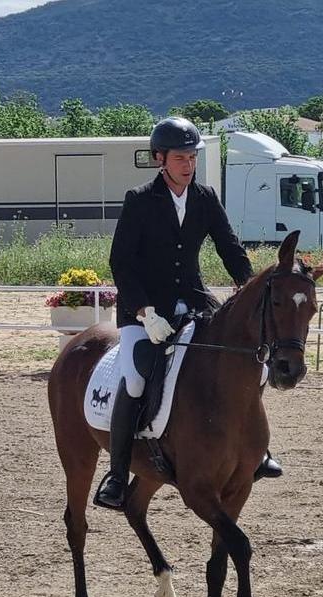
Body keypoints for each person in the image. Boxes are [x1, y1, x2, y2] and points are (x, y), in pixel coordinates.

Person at [94, 117, 282, 510]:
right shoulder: (140, 199)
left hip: (195, 301)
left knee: (252, 363)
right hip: (145, 309)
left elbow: (230, 249)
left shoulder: (205, 197)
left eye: (192, 157)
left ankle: (255, 453)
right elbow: (122, 263)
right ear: (160, 159)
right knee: (134, 376)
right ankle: (116, 472)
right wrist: (145, 311)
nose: (188, 164)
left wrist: (251, 292)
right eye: (180, 158)